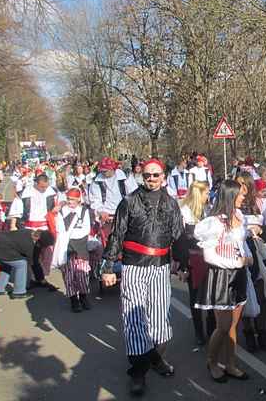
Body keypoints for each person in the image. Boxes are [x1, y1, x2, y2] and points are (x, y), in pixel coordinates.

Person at [101, 158, 183, 396]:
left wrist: (184, 264)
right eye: (147, 175)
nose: (151, 179)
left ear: (164, 177)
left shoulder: (171, 203)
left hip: (161, 266)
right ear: (141, 176)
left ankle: (155, 359)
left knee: (159, 323)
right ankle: (138, 372)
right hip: (133, 266)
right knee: (134, 321)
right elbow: (116, 235)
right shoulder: (128, 202)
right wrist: (107, 267)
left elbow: (178, 236)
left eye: (156, 175)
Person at [194, 179, 255, 383]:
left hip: (239, 276)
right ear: (230, 196)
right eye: (240, 193)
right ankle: (212, 362)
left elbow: (241, 244)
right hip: (221, 276)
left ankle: (230, 364)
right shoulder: (214, 223)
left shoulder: (239, 216)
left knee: (233, 326)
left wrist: (247, 257)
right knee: (223, 326)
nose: (244, 196)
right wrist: (237, 263)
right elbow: (209, 256)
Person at [235, 172, 266, 353]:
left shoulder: (262, 204)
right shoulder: (231, 205)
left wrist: (260, 230)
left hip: (260, 253)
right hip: (243, 253)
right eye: (238, 184)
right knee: (245, 293)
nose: (242, 188)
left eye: (245, 184)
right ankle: (249, 333)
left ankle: (263, 334)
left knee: (263, 294)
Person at [173, 181, 211, 346]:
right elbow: (179, 240)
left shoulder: (206, 210)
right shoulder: (184, 211)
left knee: (210, 294)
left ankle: (211, 330)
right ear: (198, 193)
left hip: (208, 257)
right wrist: (183, 265)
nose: (208, 196)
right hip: (192, 259)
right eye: (206, 193)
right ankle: (199, 331)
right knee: (195, 296)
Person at [7, 173, 58, 291]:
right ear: (36, 183)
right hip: (29, 228)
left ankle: (39, 277)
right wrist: (13, 225)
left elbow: (56, 207)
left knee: (44, 254)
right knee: (31, 255)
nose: (44, 189)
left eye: (45, 187)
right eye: (42, 187)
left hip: (45, 227)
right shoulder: (25, 193)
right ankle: (35, 279)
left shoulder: (50, 192)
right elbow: (16, 211)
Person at [89, 157, 138, 273]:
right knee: (109, 240)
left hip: (125, 212)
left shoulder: (125, 177)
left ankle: (130, 261)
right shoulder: (96, 182)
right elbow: (94, 200)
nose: (104, 173)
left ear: (113, 168)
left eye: (106, 170)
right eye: (102, 170)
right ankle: (109, 264)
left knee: (129, 238)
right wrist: (100, 211)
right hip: (107, 215)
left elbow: (134, 194)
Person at [51, 188, 93, 313]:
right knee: (69, 275)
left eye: (73, 200)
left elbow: (86, 229)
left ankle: (84, 296)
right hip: (67, 247)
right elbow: (58, 228)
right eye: (69, 199)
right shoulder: (62, 211)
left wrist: (71, 234)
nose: (70, 202)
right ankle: (74, 299)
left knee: (82, 274)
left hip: (80, 246)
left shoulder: (84, 211)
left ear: (79, 200)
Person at [0, 229, 43, 298]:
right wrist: (40, 279)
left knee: (8, 263)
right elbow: (33, 263)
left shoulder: (28, 231)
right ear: (38, 239)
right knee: (21, 264)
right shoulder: (29, 244)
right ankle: (19, 292)